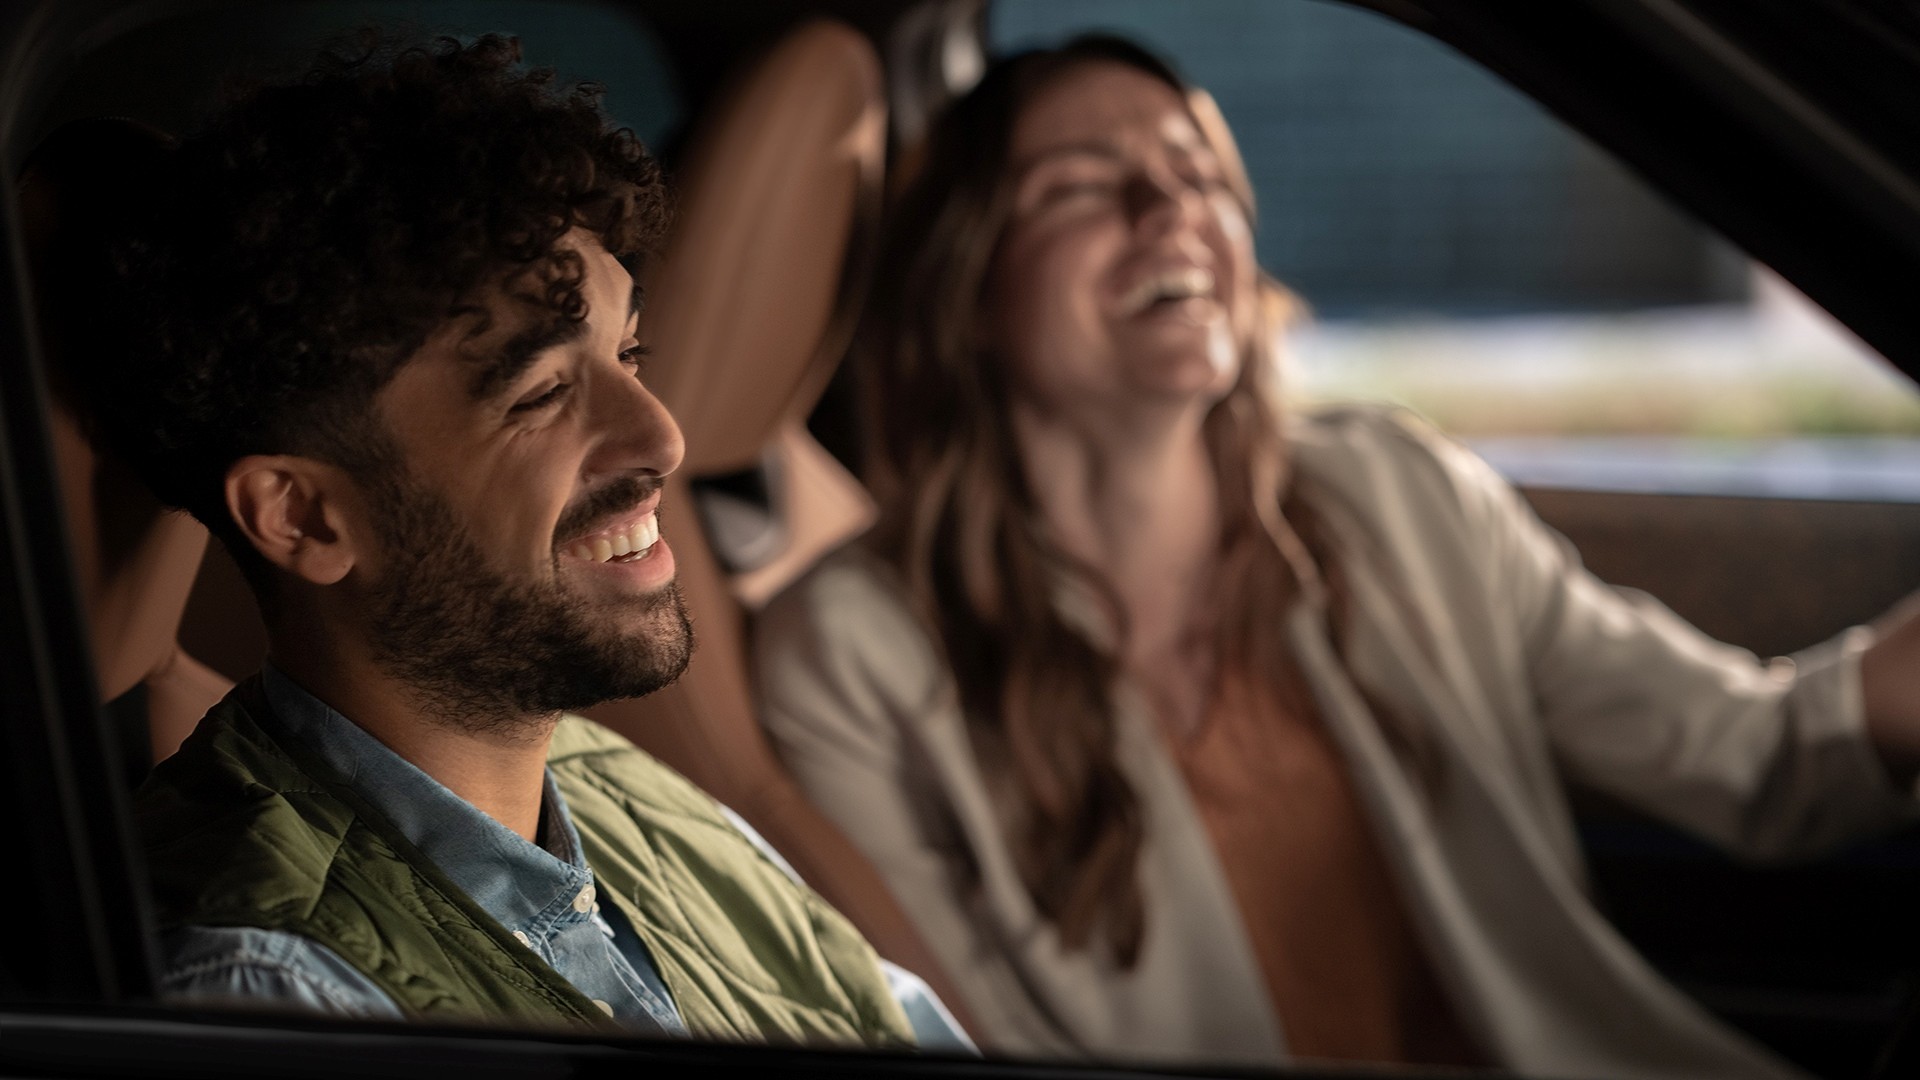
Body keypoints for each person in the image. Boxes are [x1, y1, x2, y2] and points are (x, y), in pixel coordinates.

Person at [752, 35, 1920, 1077]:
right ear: (968, 286)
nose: (1171, 208)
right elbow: (984, 1045)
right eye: (1081, 187)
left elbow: (1754, 754)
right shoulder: (855, 654)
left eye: (1203, 173)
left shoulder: (1398, 495)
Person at [81, 33, 966, 1048]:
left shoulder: (618, 787)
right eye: (542, 394)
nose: (662, 437)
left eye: (629, 350)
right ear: (302, 517)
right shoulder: (274, 990)